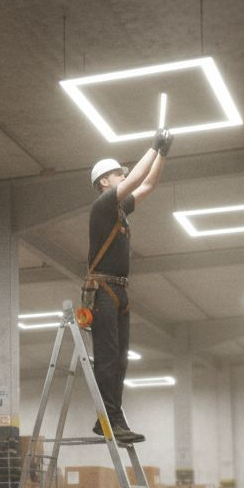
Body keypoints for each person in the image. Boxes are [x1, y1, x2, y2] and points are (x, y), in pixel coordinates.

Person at [84, 129, 173, 444]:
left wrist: (162, 154)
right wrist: (152, 146)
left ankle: (112, 416)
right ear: (104, 183)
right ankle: (109, 418)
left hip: (119, 291)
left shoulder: (119, 210)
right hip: (104, 291)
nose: (123, 175)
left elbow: (148, 184)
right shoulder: (102, 206)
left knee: (121, 359)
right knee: (108, 357)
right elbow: (136, 180)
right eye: (117, 174)